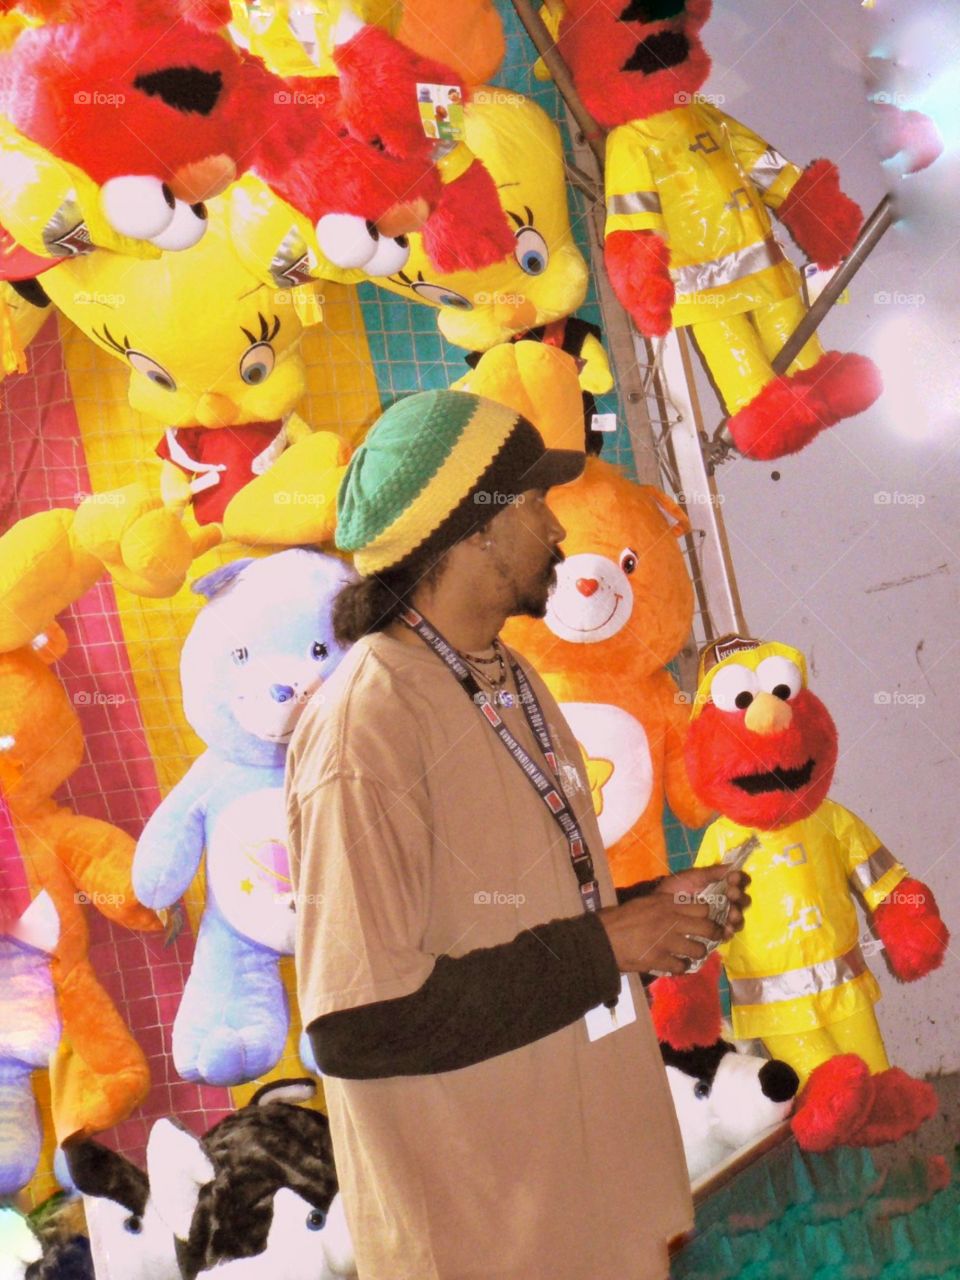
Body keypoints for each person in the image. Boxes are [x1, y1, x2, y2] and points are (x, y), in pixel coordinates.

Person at [286, 389, 750, 1280]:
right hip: (486, 1234)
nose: (556, 529)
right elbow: (357, 1026)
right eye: (535, 504)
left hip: (584, 1200)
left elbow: (522, 913)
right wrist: (605, 942)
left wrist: (653, 911)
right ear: (475, 531)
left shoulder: (505, 676)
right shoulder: (366, 724)